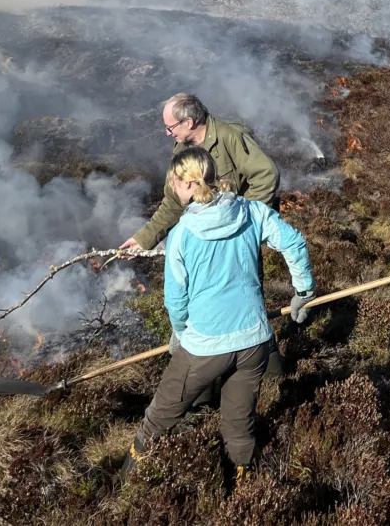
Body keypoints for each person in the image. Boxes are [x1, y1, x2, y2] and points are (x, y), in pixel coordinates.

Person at [122, 146, 314, 483]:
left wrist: (180, 333)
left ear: (184, 184)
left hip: (205, 347)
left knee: (160, 417)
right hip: (255, 342)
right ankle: (244, 491)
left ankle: (125, 485)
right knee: (239, 422)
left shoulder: (181, 234)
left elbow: (176, 298)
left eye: (172, 184)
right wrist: (304, 292)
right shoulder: (253, 211)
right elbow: (294, 242)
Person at [119, 93, 281, 253]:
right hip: (208, 239)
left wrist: (244, 220)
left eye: (170, 127)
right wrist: (144, 239)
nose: (168, 133)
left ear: (188, 122)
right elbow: (174, 202)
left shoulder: (229, 136)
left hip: (240, 240)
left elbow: (266, 175)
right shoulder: (182, 151)